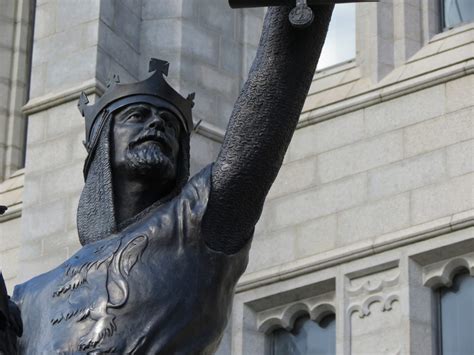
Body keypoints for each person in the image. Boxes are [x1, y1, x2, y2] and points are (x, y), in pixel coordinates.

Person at [5, 5, 334, 354]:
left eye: (169, 123)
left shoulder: (195, 224)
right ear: (103, 144)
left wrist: (293, 17)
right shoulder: (30, 297)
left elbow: (259, 134)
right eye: (137, 115)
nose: (156, 125)